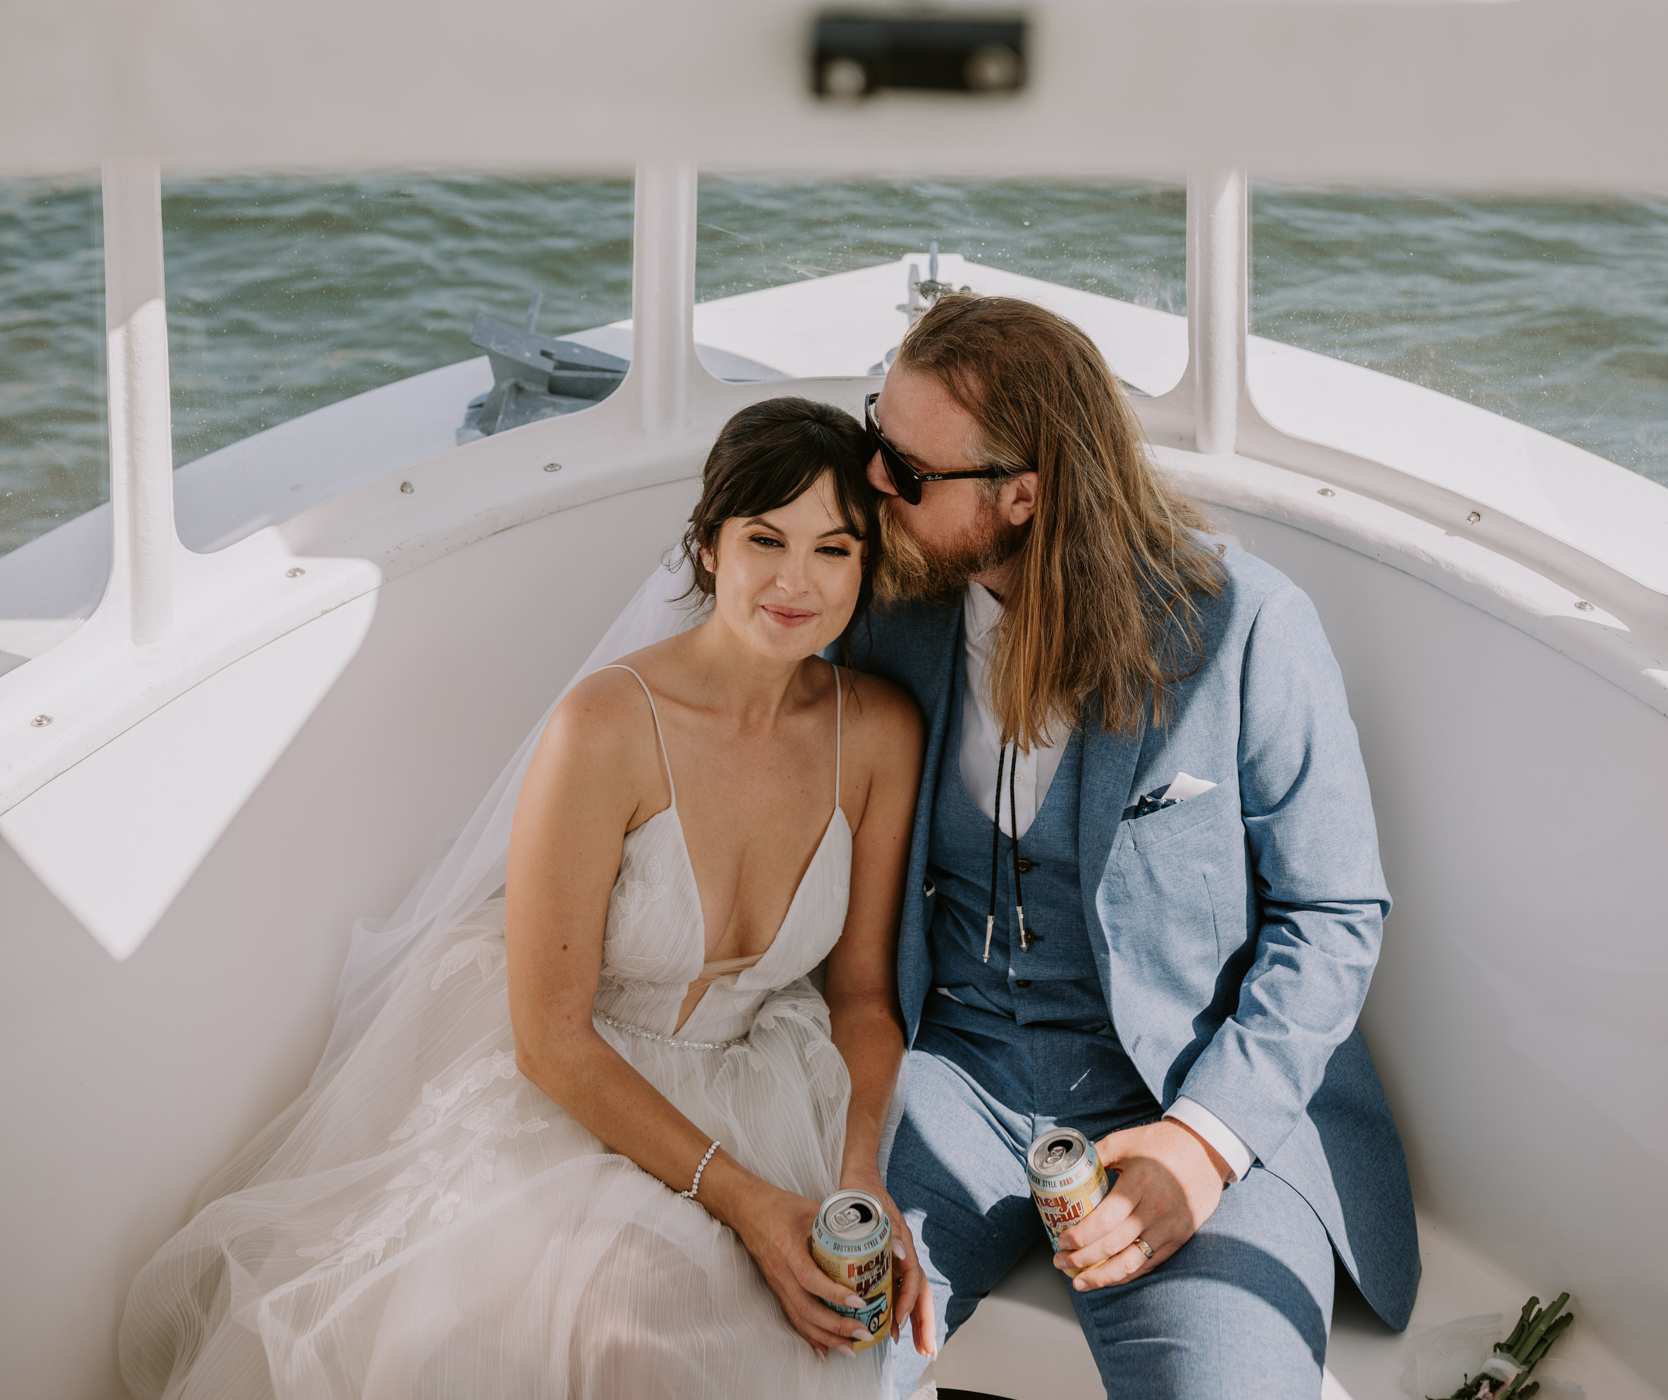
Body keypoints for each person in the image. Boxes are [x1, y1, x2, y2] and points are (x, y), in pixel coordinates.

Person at [120, 396, 936, 1398]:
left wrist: (859, 1174)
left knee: (815, 1346)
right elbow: (549, 1038)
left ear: (866, 565)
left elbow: (861, 998)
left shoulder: (880, 732)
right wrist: (748, 1203)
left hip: (766, 1082)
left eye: (833, 549)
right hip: (575, 1094)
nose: (795, 580)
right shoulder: (605, 726)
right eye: (765, 537)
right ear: (710, 545)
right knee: (631, 1333)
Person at [852, 294, 1420, 1400]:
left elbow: (1337, 915)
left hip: (1178, 1082)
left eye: (909, 470)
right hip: (946, 1075)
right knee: (792, 1357)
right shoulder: (888, 605)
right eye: (880, 436)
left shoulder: (1246, 622)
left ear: (1020, 494)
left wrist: (1202, 1144)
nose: (877, 482)